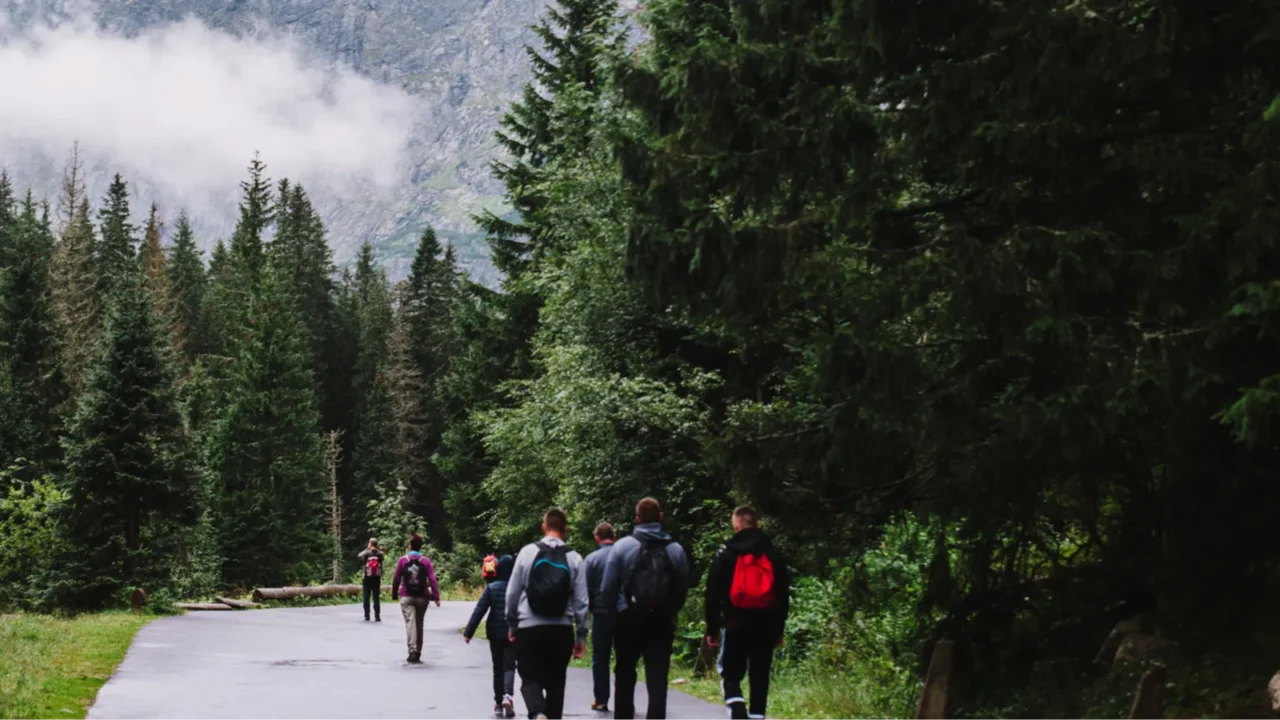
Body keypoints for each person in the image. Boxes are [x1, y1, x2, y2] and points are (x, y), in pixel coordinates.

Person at [599, 498, 691, 720]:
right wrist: (670, 611)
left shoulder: (622, 546)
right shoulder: (675, 550)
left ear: (637, 519)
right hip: (661, 620)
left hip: (629, 618)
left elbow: (607, 588)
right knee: (657, 676)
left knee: (624, 673)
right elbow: (682, 587)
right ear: (661, 517)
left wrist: (616, 614)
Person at [704, 505, 791, 720]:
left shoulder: (726, 553)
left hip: (735, 624)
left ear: (736, 526)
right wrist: (779, 629)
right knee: (760, 675)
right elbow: (782, 595)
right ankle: (757, 716)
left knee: (729, 673)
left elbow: (712, 594)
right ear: (757, 524)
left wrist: (712, 629)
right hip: (766, 624)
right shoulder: (773, 553)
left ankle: (737, 708)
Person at [505, 509, 589, 720]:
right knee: (556, 683)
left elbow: (512, 594)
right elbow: (581, 602)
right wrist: (580, 635)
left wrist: (512, 624)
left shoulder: (527, 553)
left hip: (529, 628)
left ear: (544, 527)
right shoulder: (574, 558)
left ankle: (537, 712)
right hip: (561, 629)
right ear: (565, 528)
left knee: (529, 677)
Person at [465, 554, 518, 718]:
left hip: (494, 632)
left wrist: (469, 632)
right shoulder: (517, 589)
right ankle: (507, 696)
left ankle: (497, 704)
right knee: (509, 666)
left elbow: (480, 610)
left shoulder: (492, 588)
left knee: (497, 668)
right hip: (512, 632)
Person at [391, 534, 441, 664]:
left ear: (410, 545)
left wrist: (394, 593)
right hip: (422, 597)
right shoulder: (426, 561)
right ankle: (418, 652)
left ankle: (412, 650)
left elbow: (396, 578)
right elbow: (432, 580)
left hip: (406, 596)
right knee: (419, 623)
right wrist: (436, 597)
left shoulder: (403, 560)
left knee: (410, 622)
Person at [583, 522, 617, 712]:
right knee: (625, 657)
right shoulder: (625, 555)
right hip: (623, 613)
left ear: (597, 538)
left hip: (601, 613)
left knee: (600, 656)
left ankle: (601, 699)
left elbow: (585, 589)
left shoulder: (592, 559)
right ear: (615, 536)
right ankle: (624, 699)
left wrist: (588, 612)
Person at [357, 538, 385, 622]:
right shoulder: (380, 554)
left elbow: (359, 555)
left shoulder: (366, 553)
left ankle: (367, 616)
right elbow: (382, 560)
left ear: (370, 544)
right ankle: (377, 616)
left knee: (366, 596)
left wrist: (367, 549)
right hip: (376, 577)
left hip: (367, 577)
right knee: (376, 596)